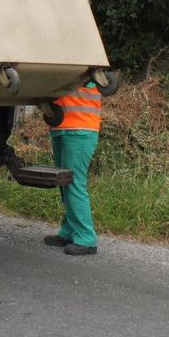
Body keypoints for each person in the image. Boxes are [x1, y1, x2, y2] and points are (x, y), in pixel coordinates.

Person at [43, 79, 104, 255]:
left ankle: (86, 238)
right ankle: (69, 231)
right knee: (64, 182)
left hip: (81, 127)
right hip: (61, 126)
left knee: (74, 183)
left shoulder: (92, 66)